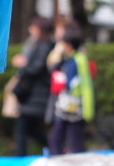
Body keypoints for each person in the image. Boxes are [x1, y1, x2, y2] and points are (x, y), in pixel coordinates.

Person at [48, 26, 95, 155]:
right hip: (65, 104)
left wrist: (88, 111)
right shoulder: (66, 59)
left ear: (68, 45)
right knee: (56, 139)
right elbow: (51, 66)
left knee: (74, 141)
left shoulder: (79, 59)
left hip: (75, 106)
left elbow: (86, 85)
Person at [12, 16, 54, 156]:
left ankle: (21, 158)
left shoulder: (44, 45)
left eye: (33, 27)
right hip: (34, 95)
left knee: (22, 128)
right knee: (31, 129)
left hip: (36, 95)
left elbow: (37, 68)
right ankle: (54, 149)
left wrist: (23, 64)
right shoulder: (38, 44)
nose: (30, 30)